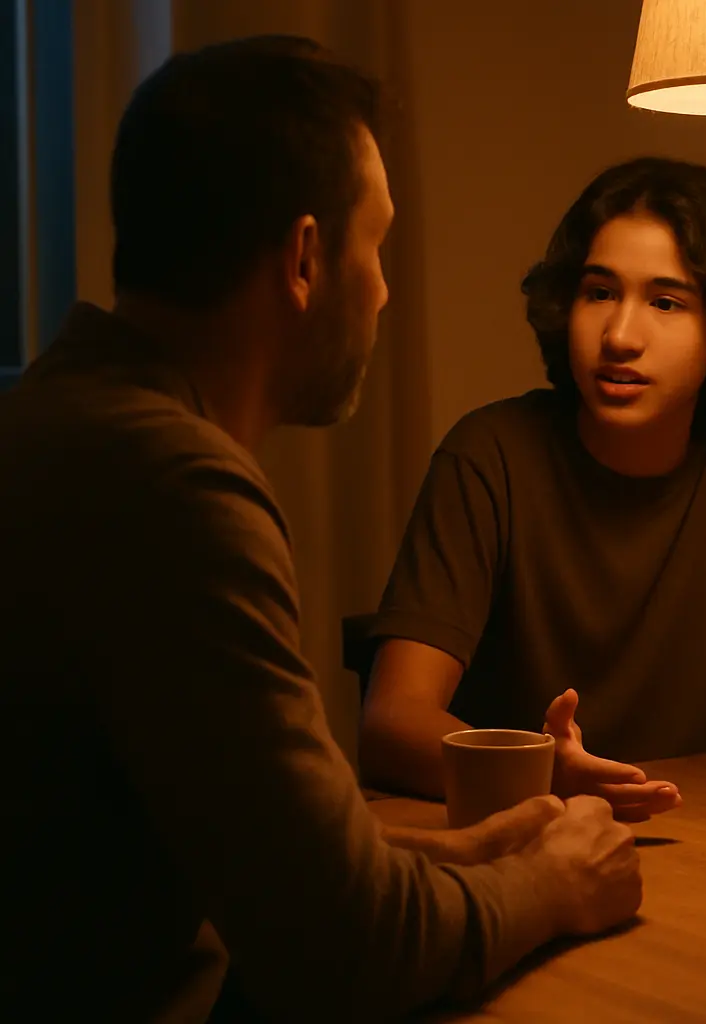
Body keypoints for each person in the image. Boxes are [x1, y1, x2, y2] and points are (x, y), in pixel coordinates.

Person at [0, 36, 640, 1022]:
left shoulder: (57, 420)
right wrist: (552, 883)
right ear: (305, 259)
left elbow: (241, 846)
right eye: (375, 246)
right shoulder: (177, 489)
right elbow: (348, 949)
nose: (382, 288)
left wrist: (448, 856)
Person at [358, 157, 706, 821]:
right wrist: (542, 775)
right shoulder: (490, 454)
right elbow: (392, 721)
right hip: (518, 832)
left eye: (665, 302)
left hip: (692, 827)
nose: (620, 336)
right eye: (600, 292)